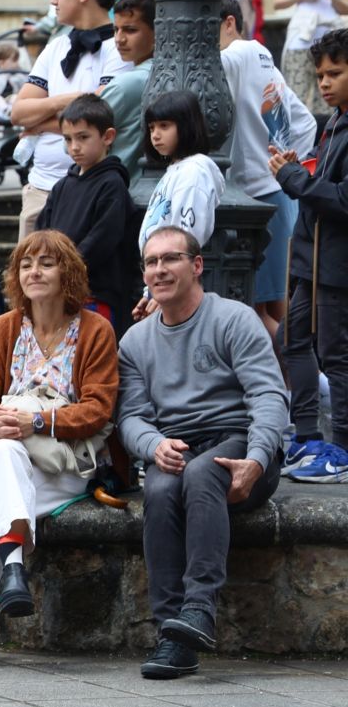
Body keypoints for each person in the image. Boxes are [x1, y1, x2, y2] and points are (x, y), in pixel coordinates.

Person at [0, 231, 119, 666]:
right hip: (13, 456)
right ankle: (11, 573)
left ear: (68, 272)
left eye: (46, 263)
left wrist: (35, 420)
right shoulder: (2, 329)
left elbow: (98, 408)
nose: (34, 272)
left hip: (66, 463)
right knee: (1, 452)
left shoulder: (95, 330)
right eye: (25, 264)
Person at [118, 227, 288, 679]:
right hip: (177, 444)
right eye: (151, 262)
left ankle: (198, 610)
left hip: (241, 440)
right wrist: (153, 445)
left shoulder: (234, 319)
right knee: (158, 487)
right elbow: (130, 417)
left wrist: (256, 458)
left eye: (170, 259)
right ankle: (172, 635)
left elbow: (269, 396)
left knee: (199, 474)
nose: (159, 269)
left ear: (197, 266)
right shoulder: (134, 341)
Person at [272, 26, 348, 484]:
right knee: (291, 341)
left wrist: (295, 179)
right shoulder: (335, 120)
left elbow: (342, 200)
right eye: (320, 74)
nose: (323, 82)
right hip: (312, 261)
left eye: (335, 73)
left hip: (337, 269)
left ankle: (340, 449)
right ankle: (307, 437)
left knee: (337, 357)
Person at [219, 0, 315, 340]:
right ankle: (298, 383)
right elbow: (304, 123)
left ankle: (308, 383)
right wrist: (288, 164)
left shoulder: (236, 55)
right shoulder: (264, 59)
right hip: (280, 191)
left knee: (257, 310)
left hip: (259, 197)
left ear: (229, 23)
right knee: (276, 305)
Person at [11, 0, 125, 242]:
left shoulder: (118, 48)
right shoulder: (55, 46)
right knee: (26, 281)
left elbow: (100, 117)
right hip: (39, 187)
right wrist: (69, 100)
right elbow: (19, 112)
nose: (53, 1)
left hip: (91, 189)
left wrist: (38, 123)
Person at [34, 94, 139, 328]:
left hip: (95, 295)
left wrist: (62, 270)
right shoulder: (62, 185)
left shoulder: (112, 184)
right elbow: (42, 232)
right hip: (57, 293)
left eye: (83, 137)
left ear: (108, 137)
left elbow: (102, 238)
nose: (74, 147)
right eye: (68, 139)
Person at [275, 0, 348, 121]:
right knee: (295, 95)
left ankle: (325, 140)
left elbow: (345, 8)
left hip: (331, 45)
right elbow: (277, 2)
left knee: (326, 99)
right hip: (301, 41)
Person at [136, 91, 222, 253]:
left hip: (172, 269)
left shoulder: (193, 173)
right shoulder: (177, 169)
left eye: (164, 126)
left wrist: (170, 262)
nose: (155, 135)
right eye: (152, 128)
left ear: (186, 127)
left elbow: (185, 236)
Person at [96, 0, 155, 170]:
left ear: (157, 32)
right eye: (116, 29)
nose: (119, 39)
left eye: (130, 30)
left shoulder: (126, 85)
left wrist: (39, 127)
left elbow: (73, 141)